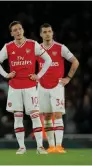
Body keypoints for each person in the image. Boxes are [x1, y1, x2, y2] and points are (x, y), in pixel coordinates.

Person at [0, 21, 52, 154]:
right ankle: (21, 147)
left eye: (19, 29)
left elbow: (48, 60)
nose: (18, 32)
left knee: (35, 116)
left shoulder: (33, 44)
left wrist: (39, 75)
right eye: (15, 30)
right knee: (17, 117)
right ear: (11, 33)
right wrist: (6, 75)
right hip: (15, 87)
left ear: (23, 30)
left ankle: (40, 147)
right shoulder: (8, 47)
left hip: (30, 86)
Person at [37, 23, 79, 153]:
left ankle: (59, 145)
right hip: (42, 86)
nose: (47, 34)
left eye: (49, 31)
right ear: (41, 34)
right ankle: (51, 146)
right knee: (47, 116)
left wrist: (68, 78)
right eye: (44, 32)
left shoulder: (60, 48)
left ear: (52, 32)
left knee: (58, 114)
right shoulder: (37, 49)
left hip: (57, 86)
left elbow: (75, 61)